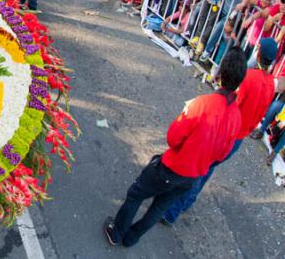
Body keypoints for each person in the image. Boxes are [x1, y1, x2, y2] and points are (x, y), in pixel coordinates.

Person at [104, 47, 245, 248]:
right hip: (193, 176)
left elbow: (173, 137)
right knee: (158, 208)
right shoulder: (236, 117)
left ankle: (116, 232)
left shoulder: (203, 103)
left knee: (136, 194)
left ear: (220, 73)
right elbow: (222, 154)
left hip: (172, 167)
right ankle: (131, 238)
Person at [162, 38, 277, 223]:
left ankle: (171, 211)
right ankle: (184, 202)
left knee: (199, 168)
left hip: (226, 131)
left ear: (259, 53)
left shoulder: (249, 78)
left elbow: (232, 104)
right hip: (238, 137)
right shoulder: (271, 84)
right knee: (206, 169)